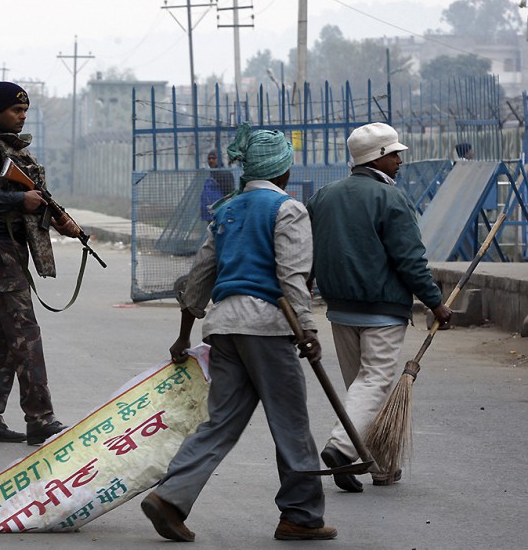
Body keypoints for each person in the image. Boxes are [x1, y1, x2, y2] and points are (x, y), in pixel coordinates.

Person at [141, 122, 336, 542]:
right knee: (291, 423)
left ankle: (170, 498)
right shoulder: (289, 209)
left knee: (220, 423)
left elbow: (198, 280)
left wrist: (183, 334)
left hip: (224, 327)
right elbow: (292, 277)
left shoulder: (226, 211)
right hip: (267, 327)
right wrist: (308, 328)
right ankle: (300, 515)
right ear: (283, 171)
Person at [307, 122, 452, 492]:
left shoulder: (323, 196)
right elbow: (410, 260)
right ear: (378, 157)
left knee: (363, 387)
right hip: (382, 311)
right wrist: (435, 303)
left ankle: (380, 466)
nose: (400, 161)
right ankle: (341, 448)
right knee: (373, 384)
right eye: (394, 154)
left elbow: (307, 254)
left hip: (339, 309)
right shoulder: (391, 199)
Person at [0, 81, 77, 446]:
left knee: (5, 336)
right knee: (25, 333)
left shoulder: (7, 146)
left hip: (12, 245)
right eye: (15, 111)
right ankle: (40, 417)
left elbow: (24, 195)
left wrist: (56, 217)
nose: (22, 117)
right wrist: (20, 201)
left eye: (24, 111)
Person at [199, 148, 236, 221]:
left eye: (213, 158)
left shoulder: (224, 173)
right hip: (211, 212)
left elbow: (230, 193)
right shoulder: (212, 173)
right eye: (209, 158)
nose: (211, 160)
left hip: (219, 212)